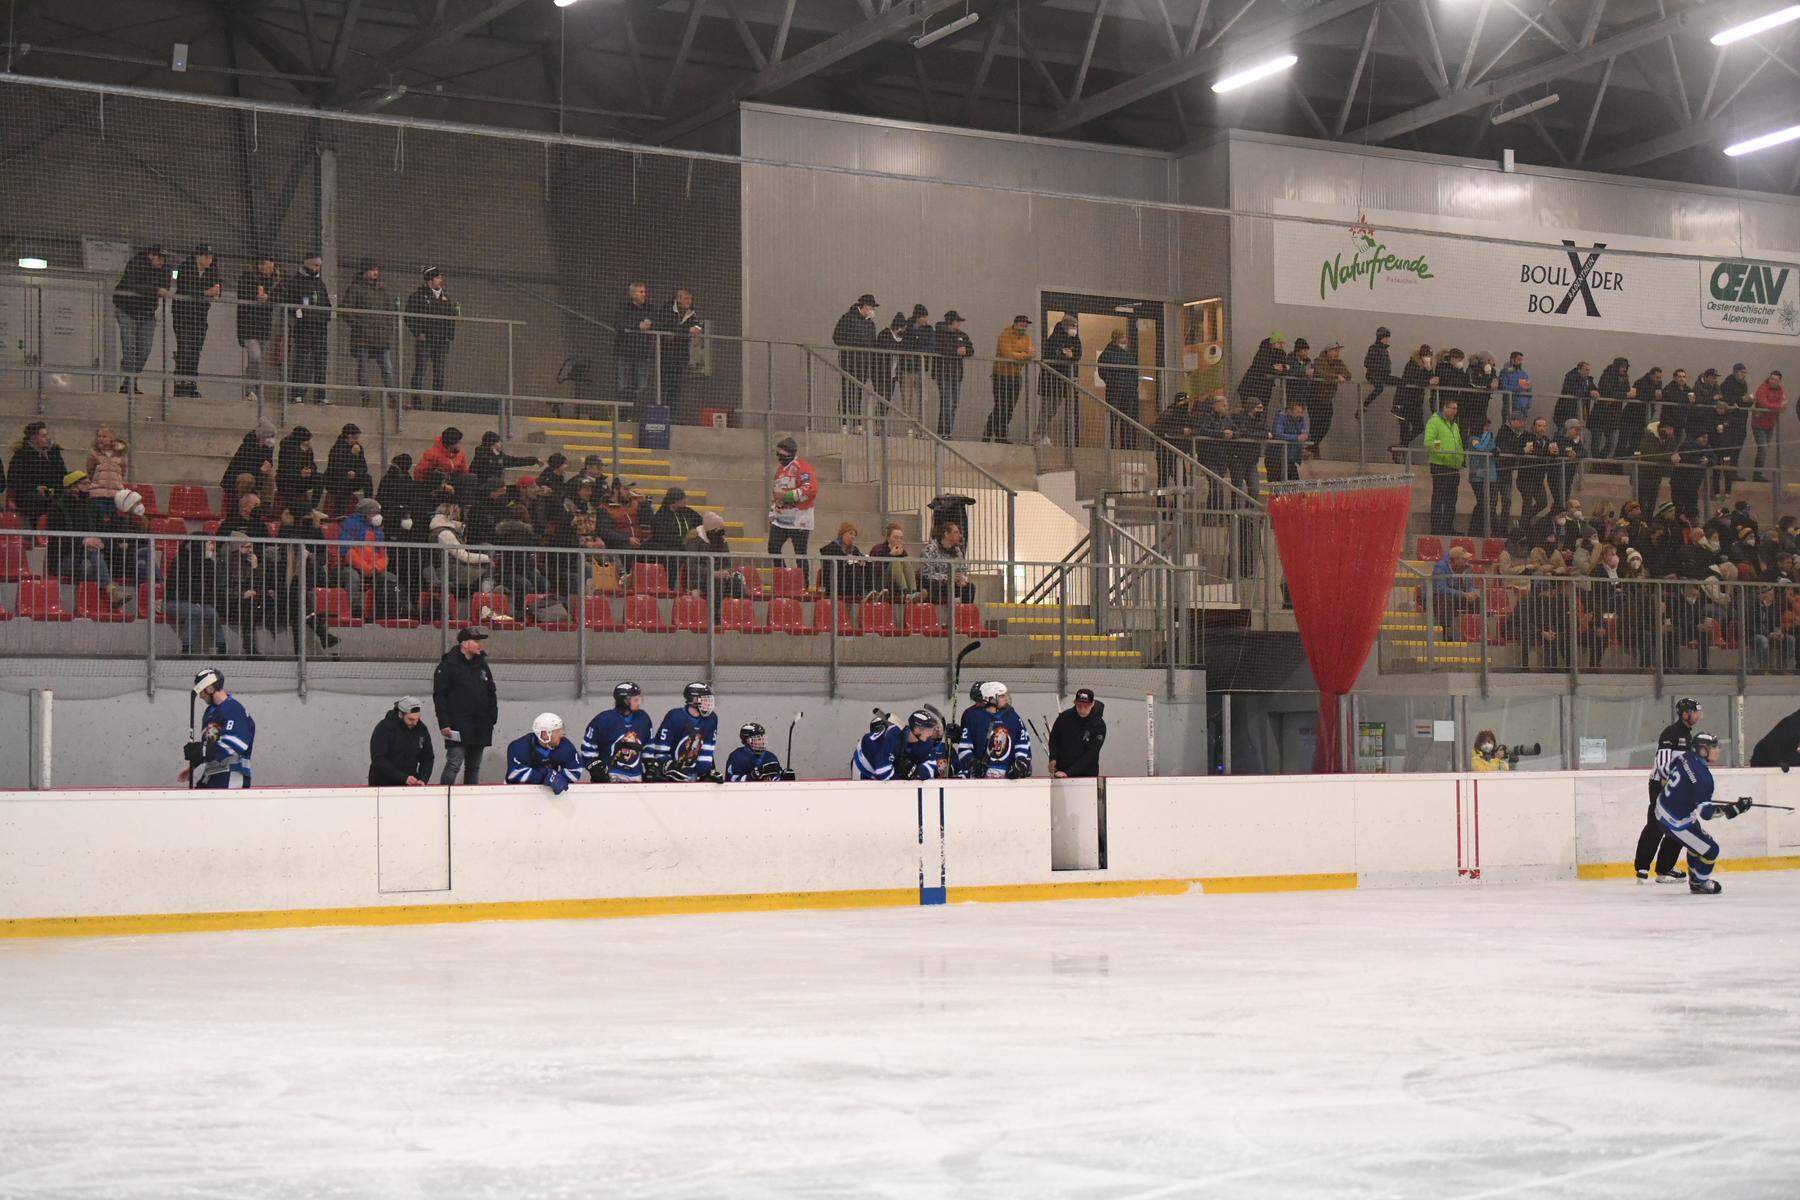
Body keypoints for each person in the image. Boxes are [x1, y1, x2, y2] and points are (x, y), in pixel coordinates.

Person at [1653, 730, 1750, 895]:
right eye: (1713, 747)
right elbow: (1706, 814)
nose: (1717, 750)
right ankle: (1700, 883)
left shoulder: (1683, 757)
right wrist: (1733, 809)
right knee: (1711, 849)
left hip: (1661, 808)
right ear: (1702, 750)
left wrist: (1684, 793)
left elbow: (1665, 772)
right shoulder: (1704, 778)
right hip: (1675, 823)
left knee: (1699, 843)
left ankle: (1695, 879)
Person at [1635, 697, 1702, 883]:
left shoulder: (1688, 736)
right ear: (1685, 713)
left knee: (1680, 825)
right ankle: (1642, 867)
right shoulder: (1670, 733)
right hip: (1660, 785)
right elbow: (1663, 764)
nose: (1698, 715)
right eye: (1695, 711)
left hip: (1676, 787)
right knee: (1656, 824)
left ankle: (1664, 869)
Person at [433, 626, 499, 785]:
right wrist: (444, 723)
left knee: (474, 767)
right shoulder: (448, 665)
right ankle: (444, 798)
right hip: (458, 725)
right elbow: (440, 696)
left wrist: (492, 716)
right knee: (454, 764)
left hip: (481, 725)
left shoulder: (482, 665)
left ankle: (470, 803)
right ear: (464, 643)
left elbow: (491, 691)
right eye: (475, 641)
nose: (479, 645)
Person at [178, 668, 255, 789]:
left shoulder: (233, 709)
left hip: (230, 779)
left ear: (209, 688)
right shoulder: (212, 712)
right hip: (211, 778)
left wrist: (201, 751)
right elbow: (212, 744)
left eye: (201, 691)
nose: (200, 696)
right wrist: (193, 764)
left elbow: (233, 745)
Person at [112, 243, 170, 395]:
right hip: (126, 310)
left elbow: (165, 287)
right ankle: (130, 383)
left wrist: (153, 290)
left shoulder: (164, 269)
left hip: (147, 313)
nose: (162, 262)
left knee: (144, 350)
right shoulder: (135, 263)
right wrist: (154, 290)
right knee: (130, 347)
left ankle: (130, 382)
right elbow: (132, 285)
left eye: (164, 259)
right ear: (151, 255)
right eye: (159, 258)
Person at [278, 251, 334, 405]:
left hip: (319, 328)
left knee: (320, 361)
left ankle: (320, 395)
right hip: (303, 328)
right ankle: (297, 395)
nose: (317, 268)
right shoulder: (295, 281)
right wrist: (298, 313)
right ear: (308, 264)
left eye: (319, 266)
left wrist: (324, 317)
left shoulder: (320, 283)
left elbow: (327, 305)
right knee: (302, 360)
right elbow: (288, 303)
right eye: (315, 265)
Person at [342, 258, 398, 406]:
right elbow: (345, 310)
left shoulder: (382, 290)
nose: (375, 273)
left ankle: (393, 396)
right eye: (372, 270)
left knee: (387, 368)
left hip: (381, 337)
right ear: (364, 272)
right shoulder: (355, 288)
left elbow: (390, 312)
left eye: (376, 270)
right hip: (363, 337)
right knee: (363, 368)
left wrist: (388, 330)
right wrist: (359, 326)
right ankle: (365, 397)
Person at [170, 243, 221, 398]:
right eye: (207, 257)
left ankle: (191, 385)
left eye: (211, 257)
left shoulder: (212, 270)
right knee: (184, 349)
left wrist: (215, 291)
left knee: (195, 351)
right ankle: (179, 386)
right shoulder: (184, 268)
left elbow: (218, 286)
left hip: (200, 316)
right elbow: (185, 288)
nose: (209, 260)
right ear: (198, 257)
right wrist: (206, 292)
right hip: (183, 316)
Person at [405, 266, 460, 409]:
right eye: (438, 277)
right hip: (425, 340)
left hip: (441, 341)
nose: (441, 280)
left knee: (439, 372)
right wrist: (418, 333)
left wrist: (449, 336)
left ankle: (437, 403)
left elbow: (451, 318)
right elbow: (408, 316)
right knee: (420, 369)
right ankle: (416, 401)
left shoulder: (446, 298)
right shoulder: (417, 296)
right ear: (430, 280)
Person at [581, 681, 654, 783]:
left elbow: (648, 745)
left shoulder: (643, 718)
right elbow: (588, 747)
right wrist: (595, 767)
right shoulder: (604, 719)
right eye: (635, 699)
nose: (639, 702)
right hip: (610, 776)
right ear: (625, 701)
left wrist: (650, 766)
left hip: (636, 777)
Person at [646, 682, 720, 782]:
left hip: (694, 775)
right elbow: (660, 750)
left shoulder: (712, 719)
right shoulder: (675, 717)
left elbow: (706, 753)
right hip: (669, 777)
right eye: (704, 699)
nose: (708, 702)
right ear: (693, 699)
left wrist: (706, 773)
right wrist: (669, 767)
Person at [957, 681, 1032, 779]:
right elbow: (964, 748)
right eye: (1001, 696)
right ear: (991, 698)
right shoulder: (973, 717)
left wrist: (1020, 764)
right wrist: (974, 765)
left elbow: (1022, 744)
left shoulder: (1013, 717)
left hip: (1007, 778)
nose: (1005, 698)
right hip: (980, 780)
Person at [235, 253, 281, 400]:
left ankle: (254, 389)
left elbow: (282, 296)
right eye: (266, 265)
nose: (268, 269)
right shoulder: (248, 277)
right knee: (255, 357)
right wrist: (256, 296)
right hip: (249, 325)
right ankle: (251, 389)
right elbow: (241, 294)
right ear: (260, 265)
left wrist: (269, 298)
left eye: (271, 266)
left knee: (257, 360)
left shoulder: (276, 281)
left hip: (264, 326)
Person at [852, 709, 945, 781]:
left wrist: (916, 772)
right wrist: (901, 775)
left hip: (883, 763)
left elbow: (932, 767)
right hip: (864, 763)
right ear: (917, 729)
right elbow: (882, 772)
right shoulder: (892, 737)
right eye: (928, 729)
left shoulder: (925, 742)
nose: (931, 733)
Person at [505, 713, 585, 794]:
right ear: (544, 735)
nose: (561, 734)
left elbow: (576, 770)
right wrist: (546, 776)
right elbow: (514, 774)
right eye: (557, 731)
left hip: (548, 795)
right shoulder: (519, 747)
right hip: (517, 795)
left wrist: (557, 777)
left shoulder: (565, 746)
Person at [767, 435, 817, 564]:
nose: (779, 457)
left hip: (800, 519)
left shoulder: (802, 467)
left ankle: (803, 584)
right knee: (773, 548)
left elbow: (810, 489)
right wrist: (772, 513)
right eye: (777, 454)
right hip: (780, 519)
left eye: (782, 454)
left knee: (800, 555)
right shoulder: (779, 471)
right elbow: (775, 494)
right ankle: (783, 577)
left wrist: (787, 496)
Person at [831, 293, 879, 427]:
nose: (872, 311)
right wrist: (854, 346)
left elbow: (872, 343)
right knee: (847, 391)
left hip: (863, 363)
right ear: (865, 306)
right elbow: (837, 338)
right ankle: (844, 422)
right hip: (849, 361)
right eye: (871, 307)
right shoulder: (848, 318)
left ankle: (857, 422)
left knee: (858, 392)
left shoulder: (870, 324)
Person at [368, 696, 434, 787]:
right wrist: (403, 777)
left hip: (409, 784)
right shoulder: (384, 728)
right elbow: (379, 759)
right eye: (411, 719)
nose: (415, 723)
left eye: (417, 719)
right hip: (383, 784)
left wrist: (423, 778)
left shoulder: (421, 729)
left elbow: (428, 758)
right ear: (400, 714)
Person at [986, 315, 1033, 442]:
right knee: (1001, 406)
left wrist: (1020, 355)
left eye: (1025, 326)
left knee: (1010, 407)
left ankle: (999, 433)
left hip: (1015, 375)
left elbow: (1031, 353)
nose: (1024, 328)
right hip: (1001, 375)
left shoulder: (1026, 338)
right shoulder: (1005, 335)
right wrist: (1023, 355)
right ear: (1015, 324)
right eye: (1022, 325)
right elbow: (1008, 353)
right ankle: (994, 433)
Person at [659, 287, 703, 419]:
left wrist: (691, 329)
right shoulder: (667, 309)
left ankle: (672, 414)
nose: (689, 301)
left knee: (677, 385)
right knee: (666, 383)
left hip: (681, 354)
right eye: (686, 298)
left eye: (690, 299)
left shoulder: (691, 312)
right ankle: (662, 413)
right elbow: (667, 328)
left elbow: (697, 326)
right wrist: (685, 331)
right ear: (678, 299)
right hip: (667, 353)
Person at [1037, 316, 1082, 444]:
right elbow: (1052, 354)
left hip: (1062, 379)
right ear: (1066, 325)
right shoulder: (1054, 338)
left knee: (1054, 409)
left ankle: (1042, 433)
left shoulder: (1075, 339)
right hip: (1050, 379)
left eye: (1076, 326)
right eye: (1073, 326)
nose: (1075, 329)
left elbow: (1078, 354)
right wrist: (1065, 354)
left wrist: (1071, 355)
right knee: (1046, 408)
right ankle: (1040, 434)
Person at [1423, 398, 1463, 535]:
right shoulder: (1434, 422)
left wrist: (1460, 459)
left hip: (1453, 466)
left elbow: (1458, 444)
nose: (1455, 411)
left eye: (1456, 408)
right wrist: (1443, 453)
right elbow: (1429, 441)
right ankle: (1436, 528)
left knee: (1451, 499)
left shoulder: (1454, 425)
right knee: (1439, 497)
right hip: (1440, 464)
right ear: (1445, 408)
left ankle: (1447, 527)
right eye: (1452, 408)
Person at [614, 281, 656, 408]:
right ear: (633, 294)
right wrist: (638, 326)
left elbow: (657, 322)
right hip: (626, 351)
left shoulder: (650, 309)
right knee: (624, 383)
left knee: (642, 385)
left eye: (644, 291)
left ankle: (637, 410)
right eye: (641, 292)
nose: (644, 294)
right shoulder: (623, 309)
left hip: (643, 352)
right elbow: (620, 325)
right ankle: (623, 412)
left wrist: (649, 325)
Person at [932, 310, 973, 439]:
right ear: (951, 322)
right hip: (943, 372)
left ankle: (946, 431)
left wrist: (965, 351)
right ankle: (944, 432)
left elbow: (971, 349)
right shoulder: (939, 334)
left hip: (956, 374)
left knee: (954, 403)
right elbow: (937, 348)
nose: (959, 324)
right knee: (946, 402)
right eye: (957, 322)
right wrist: (955, 351)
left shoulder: (962, 335)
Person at [1048, 688, 1106, 778]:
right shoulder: (1064, 718)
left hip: (1087, 776)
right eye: (1079, 706)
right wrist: (1053, 758)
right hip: (1061, 773)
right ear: (1074, 703)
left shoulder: (1099, 725)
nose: (1082, 710)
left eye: (1086, 706)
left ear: (1092, 704)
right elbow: (1054, 739)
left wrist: (1069, 773)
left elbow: (1091, 754)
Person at [322, 423, 373, 516]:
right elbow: (335, 468)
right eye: (355, 438)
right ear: (349, 436)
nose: (357, 440)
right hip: (336, 480)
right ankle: (339, 513)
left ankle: (368, 506)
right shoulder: (337, 448)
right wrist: (351, 455)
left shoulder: (358, 448)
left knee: (367, 478)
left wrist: (356, 473)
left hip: (352, 479)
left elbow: (364, 467)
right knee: (342, 482)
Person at [1097, 329, 1137, 448]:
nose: (1125, 340)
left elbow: (1134, 371)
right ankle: (1111, 446)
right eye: (1122, 338)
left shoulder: (1127, 354)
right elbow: (1103, 371)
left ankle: (1127, 446)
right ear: (1116, 339)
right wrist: (1113, 382)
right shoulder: (1108, 354)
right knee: (1113, 419)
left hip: (1127, 391)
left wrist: (1132, 385)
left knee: (1126, 420)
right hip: (1115, 390)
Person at [895, 304, 934, 424]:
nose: (926, 320)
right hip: (906, 369)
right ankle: (909, 428)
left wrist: (916, 350)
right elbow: (903, 344)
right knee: (907, 400)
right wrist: (918, 347)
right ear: (918, 317)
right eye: (924, 317)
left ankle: (921, 427)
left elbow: (931, 346)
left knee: (923, 400)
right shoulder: (906, 328)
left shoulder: (929, 329)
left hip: (921, 369)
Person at [920, 521, 974, 605]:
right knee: (934, 586)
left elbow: (963, 569)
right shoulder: (930, 549)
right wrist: (949, 577)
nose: (960, 535)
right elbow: (927, 574)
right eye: (956, 532)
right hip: (936, 583)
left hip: (951, 584)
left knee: (970, 588)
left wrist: (962, 579)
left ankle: (964, 615)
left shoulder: (957, 550)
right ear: (946, 534)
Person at [1393, 344, 1435, 447]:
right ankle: (1402, 450)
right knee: (1405, 427)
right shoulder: (1412, 364)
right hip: (1405, 401)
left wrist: (1429, 370)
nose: (1427, 358)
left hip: (1416, 402)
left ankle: (1401, 447)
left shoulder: (1426, 367)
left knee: (1418, 428)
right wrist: (1428, 380)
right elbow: (1414, 380)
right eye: (1426, 356)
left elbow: (1428, 379)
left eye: (1429, 356)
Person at [817, 521, 870, 599]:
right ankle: (863, 593)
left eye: (854, 535)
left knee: (867, 566)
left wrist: (863, 561)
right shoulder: (830, 549)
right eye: (850, 533)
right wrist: (847, 562)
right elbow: (828, 569)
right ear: (842, 534)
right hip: (835, 581)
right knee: (853, 567)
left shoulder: (854, 549)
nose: (853, 537)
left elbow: (860, 558)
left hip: (850, 583)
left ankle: (868, 591)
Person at [726, 723, 794, 781]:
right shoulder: (737, 756)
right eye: (758, 739)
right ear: (748, 741)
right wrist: (752, 776)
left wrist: (785, 777)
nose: (761, 742)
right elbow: (731, 781)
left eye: (762, 738)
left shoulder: (770, 756)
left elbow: (775, 779)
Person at [1751, 370, 1784, 482]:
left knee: (1764, 449)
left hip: (1770, 425)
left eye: (1776, 380)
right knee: (1763, 448)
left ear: (1779, 381)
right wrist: (1777, 406)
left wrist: (1775, 406)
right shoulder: (1762, 388)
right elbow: (1762, 403)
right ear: (1769, 378)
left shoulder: (1779, 390)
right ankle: (1757, 475)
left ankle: (1757, 474)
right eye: (1772, 379)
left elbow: (1782, 403)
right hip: (1759, 425)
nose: (1773, 381)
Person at [1268, 396, 1309, 483]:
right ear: (1289, 411)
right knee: (1277, 488)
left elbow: (1304, 434)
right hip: (1275, 459)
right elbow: (1278, 435)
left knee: (1295, 488)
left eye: (1301, 412)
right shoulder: (1281, 417)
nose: (1300, 415)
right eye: (1298, 412)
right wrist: (1296, 438)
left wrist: (1302, 448)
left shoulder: (1301, 420)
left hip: (1290, 460)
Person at [1360, 325, 1395, 419]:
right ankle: (1364, 405)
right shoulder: (1373, 349)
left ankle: (1397, 406)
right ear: (1381, 338)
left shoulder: (1384, 350)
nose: (1387, 340)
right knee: (1379, 387)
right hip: (1373, 375)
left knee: (1401, 382)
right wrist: (1380, 369)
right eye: (1386, 337)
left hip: (1384, 375)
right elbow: (1367, 363)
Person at [1497, 351, 1531, 419]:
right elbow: (1503, 387)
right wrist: (1517, 388)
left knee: (1521, 427)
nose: (1521, 362)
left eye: (1521, 360)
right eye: (1519, 359)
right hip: (1510, 406)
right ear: (1512, 360)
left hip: (1522, 408)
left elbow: (1527, 390)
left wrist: (1528, 402)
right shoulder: (1505, 372)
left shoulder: (1523, 374)